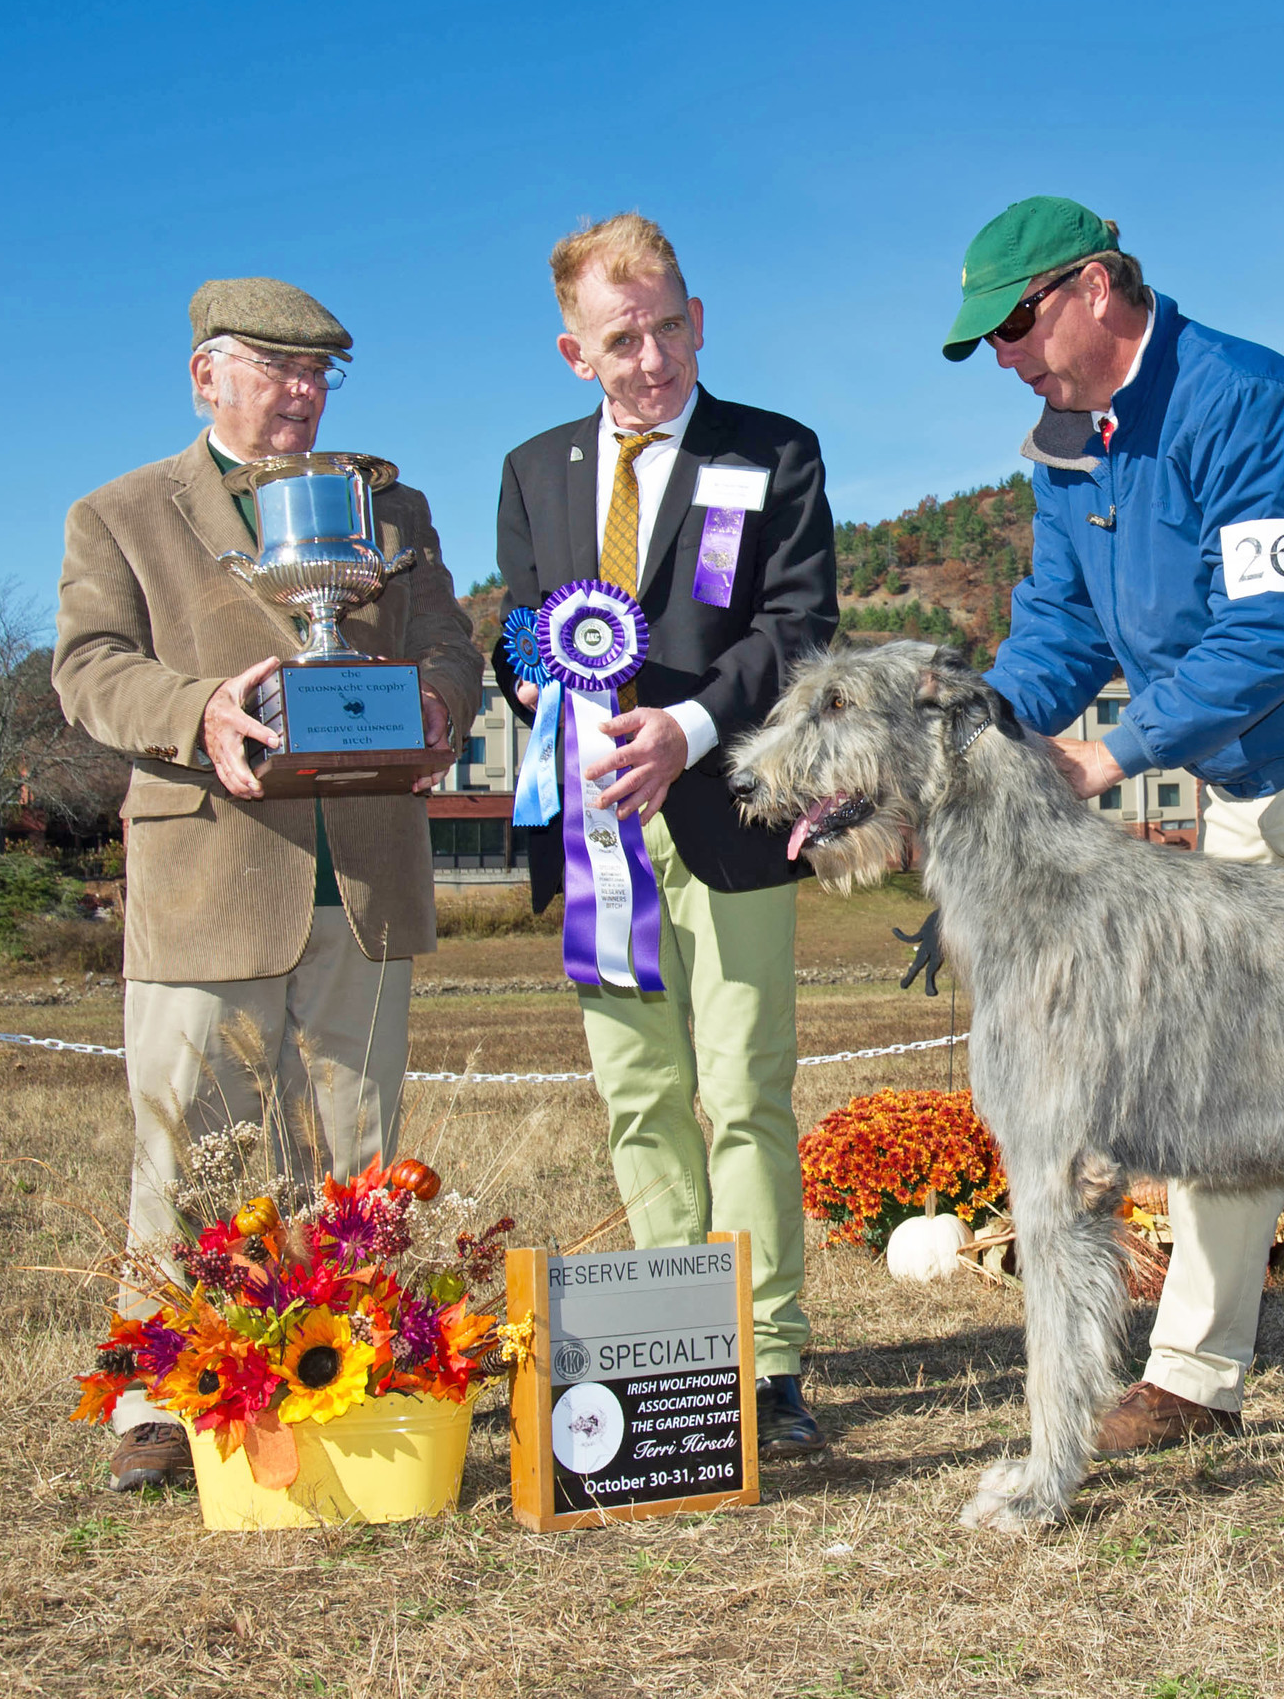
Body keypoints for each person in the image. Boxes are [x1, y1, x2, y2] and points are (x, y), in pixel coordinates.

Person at [941, 197, 1284, 1472]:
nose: (1006, 354)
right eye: (988, 340)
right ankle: (1194, 1373)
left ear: (1096, 288)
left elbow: (1268, 631)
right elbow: (1059, 622)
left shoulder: (1247, 404)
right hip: (1237, 784)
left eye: (1014, 323)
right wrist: (984, 735)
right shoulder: (1068, 445)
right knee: (1218, 1076)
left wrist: (1107, 752)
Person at [52, 278, 480, 1492]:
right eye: (274, 369)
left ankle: (361, 1373)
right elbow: (88, 668)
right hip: (211, 873)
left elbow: (446, 635)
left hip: (369, 875)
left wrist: (442, 695)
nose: (301, 393)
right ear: (206, 377)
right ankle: (155, 1394)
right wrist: (201, 711)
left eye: (318, 374)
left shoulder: (389, 505)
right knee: (194, 1152)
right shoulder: (121, 512)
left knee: (357, 1151)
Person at [493, 214, 837, 1458]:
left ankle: (770, 1354)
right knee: (639, 1093)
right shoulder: (533, 471)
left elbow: (797, 628)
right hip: (598, 835)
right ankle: (680, 1347)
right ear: (575, 352)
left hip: (732, 810)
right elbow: (523, 627)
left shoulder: (773, 451)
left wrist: (685, 727)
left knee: (744, 1086)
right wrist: (538, 687)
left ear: (700, 318)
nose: (653, 358)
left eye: (670, 325)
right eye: (622, 338)